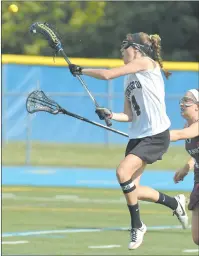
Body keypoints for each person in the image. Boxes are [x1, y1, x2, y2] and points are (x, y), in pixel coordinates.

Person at [68, 32, 188, 250]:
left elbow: (107, 75)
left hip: (156, 134)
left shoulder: (146, 62)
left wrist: (81, 70)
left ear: (136, 49)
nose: (121, 51)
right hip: (137, 137)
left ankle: (138, 225)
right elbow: (129, 115)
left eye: (124, 47)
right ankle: (174, 202)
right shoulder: (129, 79)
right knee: (133, 188)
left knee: (122, 173)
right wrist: (111, 115)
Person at [170, 88, 199, 245]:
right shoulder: (188, 125)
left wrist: (152, 136)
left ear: (197, 106)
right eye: (182, 100)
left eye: (187, 100)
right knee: (197, 238)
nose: (182, 103)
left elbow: (179, 135)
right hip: (198, 177)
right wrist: (186, 167)